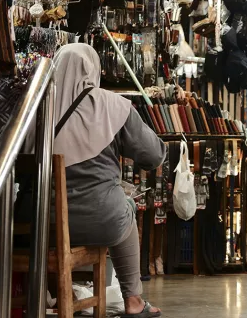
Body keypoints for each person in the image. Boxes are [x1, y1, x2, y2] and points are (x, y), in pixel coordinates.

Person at [53, 44, 165, 317]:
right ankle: (134, 301)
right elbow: (152, 155)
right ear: (94, 70)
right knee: (123, 207)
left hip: (43, 224)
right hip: (100, 221)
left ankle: (57, 295)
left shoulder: (35, 107)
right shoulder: (112, 105)